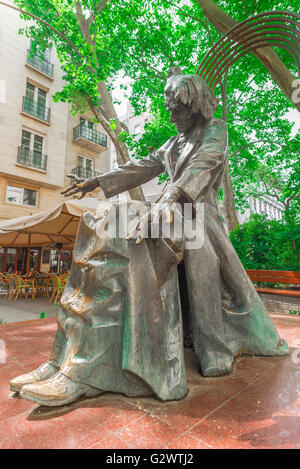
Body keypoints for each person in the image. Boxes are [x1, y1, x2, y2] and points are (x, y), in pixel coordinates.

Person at [10, 68, 289, 407]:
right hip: (171, 216)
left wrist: (170, 197)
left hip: (200, 220)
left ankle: (99, 367)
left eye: (177, 108)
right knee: (102, 220)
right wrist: (96, 182)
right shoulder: (172, 143)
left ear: (196, 105)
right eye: (169, 107)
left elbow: (204, 164)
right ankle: (65, 359)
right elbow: (140, 167)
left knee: (132, 232)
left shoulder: (215, 130)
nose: (170, 115)